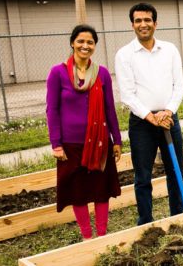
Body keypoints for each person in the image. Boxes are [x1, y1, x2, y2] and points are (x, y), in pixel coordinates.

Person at [46, 24, 122, 240]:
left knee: (100, 189)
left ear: (95, 46)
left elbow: (109, 108)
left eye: (90, 42)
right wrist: (56, 144)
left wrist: (116, 139)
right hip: (71, 144)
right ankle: (87, 237)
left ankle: (102, 234)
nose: (85, 46)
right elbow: (52, 110)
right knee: (78, 192)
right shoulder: (57, 73)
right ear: (72, 43)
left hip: (99, 142)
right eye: (80, 41)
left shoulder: (102, 74)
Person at [115, 2, 183, 225]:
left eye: (147, 20)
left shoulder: (170, 50)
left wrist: (168, 111)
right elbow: (127, 94)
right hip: (142, 124)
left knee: (175, 170)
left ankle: (177, 216)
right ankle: (146, 222)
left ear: (155, 23)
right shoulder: (125, 55)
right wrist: (150, 116)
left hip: (168, 120)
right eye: (138, 21)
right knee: (143, 176)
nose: (143, 24)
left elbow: (179, 86)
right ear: (132, 25)